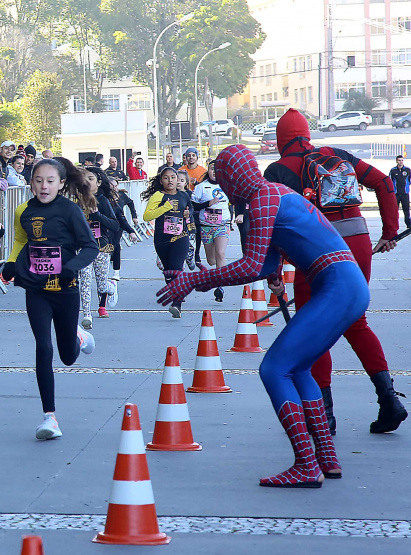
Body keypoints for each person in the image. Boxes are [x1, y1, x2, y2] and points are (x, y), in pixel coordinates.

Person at [157, 144, 368, 488]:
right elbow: (267, 262)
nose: (224, 187)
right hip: (347, 284)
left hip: (335, 286)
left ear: (233, 177)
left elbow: (253, 263)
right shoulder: (275, 193)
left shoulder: (262, 198)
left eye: (224, 179)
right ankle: (326, 459)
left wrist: (197, 278)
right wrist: (274, 270)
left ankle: (306, 464)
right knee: (298, 367)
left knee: (274, 369)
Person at [264, 108, 405, 435]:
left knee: (313, 329)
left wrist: (274, 271)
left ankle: (323, 417)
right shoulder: (336, 155)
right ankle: (389, 400)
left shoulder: (278, 170)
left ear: (281, 140)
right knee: (356, 322)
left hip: (318, 252)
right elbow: (384, 183)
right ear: (307, 133)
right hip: (356, 242)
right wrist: (389, 231)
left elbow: (269, 225)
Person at [0, 158, 97, 440]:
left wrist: (70, 268)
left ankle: (78, 337)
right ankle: (49, 418)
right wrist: (11, 262)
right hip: (37, 289)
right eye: (38, 180)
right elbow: (21, 240)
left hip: (65, 289)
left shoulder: (70, 211)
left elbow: (90, 247)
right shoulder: (23, 211)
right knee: (43, 347)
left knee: (67, 357)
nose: (44, 186)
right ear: (30, 183)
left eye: (50, 181)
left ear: (61, 184)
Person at [143, 167, 191, 318]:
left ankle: (177, 304)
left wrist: (188, 217)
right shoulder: (158, 196)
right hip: (162, 239)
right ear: (161, 181)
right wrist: (165, 207)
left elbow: (191, 215)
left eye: (173, 177)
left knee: (177, 268)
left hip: (180, 236)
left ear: (178, 180)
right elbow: (147, 216)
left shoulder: (184, 195)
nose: (170, 180)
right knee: (169, 272)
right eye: (166, 178)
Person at [77, 167, 120, 327]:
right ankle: (87, 314)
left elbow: (115, 225)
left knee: (101, 284)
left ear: (99, 182)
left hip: (101, 246)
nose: (86, 183)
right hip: (83, 247)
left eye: (90, 179)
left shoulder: (103, 201)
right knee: (85, 280)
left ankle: (111, 286)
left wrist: (97, 215)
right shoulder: (77, 201)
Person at [192, 159, 231, 302]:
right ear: (208, 171)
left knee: (220, 253)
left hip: (222, 225)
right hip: (206, 226)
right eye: (211, 169)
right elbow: (193, 206)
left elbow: (237, 201)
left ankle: (220, 285)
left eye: (217, 169)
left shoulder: (227, 185)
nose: (214, 171)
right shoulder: (201, 187)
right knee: (211, 260)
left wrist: (239, 214)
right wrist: (208, 203)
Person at [389, 155, 411, 229]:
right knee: (394, 210)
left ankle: (408, 224)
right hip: (396, 194)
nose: (401, 162)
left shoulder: (407, 170)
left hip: (405, 194)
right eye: (399, 160)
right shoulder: (393, 170)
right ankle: (394, 225)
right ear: (396, 161)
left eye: (402, 160)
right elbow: (389, 181)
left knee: (406, 209)